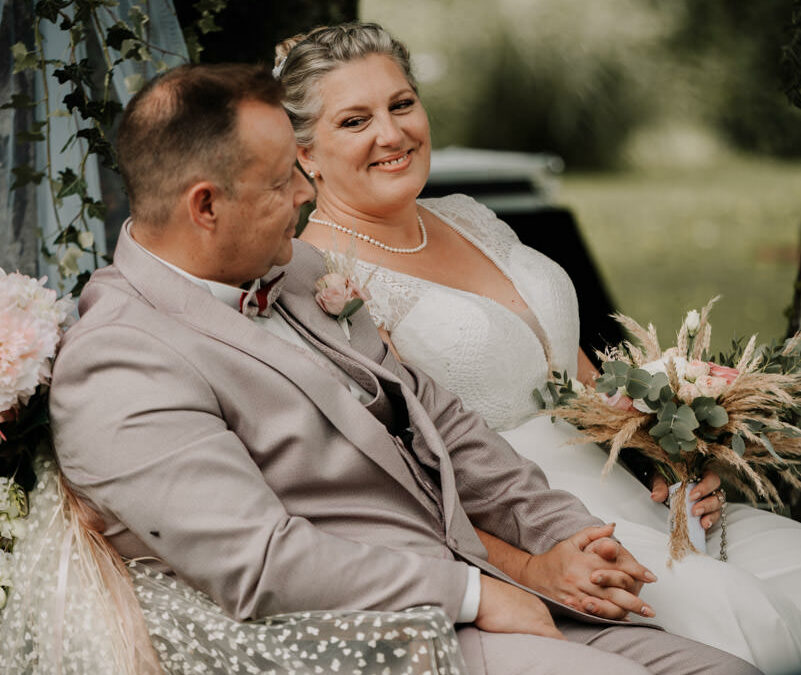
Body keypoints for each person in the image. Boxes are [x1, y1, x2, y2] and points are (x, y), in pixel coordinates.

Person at [45, 62, 758, 675]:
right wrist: (476, 594)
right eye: (280, 179)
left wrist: (560, 534)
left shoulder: (299, 274)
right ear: (205, 206)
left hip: (492, 577)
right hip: (385, 639)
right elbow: (262, 561)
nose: (305, 193)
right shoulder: (121, 361)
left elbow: (439, 419)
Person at [281, 22, 801, 674]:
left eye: (402, 104)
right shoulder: (323, 277)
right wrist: (527, 563)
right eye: (355, 121)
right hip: (531, 520)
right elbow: (399, 467)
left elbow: (571, 370)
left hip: (631, 486)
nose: (391, 134)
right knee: (743, 619)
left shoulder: (468, 215)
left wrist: (670, 453)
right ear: (304, 153)